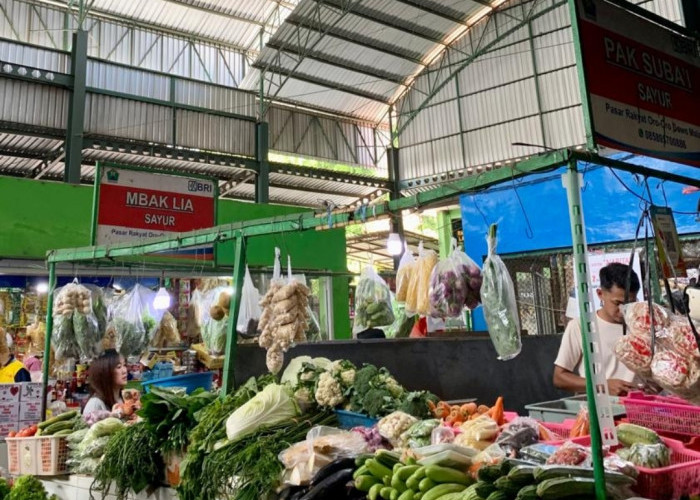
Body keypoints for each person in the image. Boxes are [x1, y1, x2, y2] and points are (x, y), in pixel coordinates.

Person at [554, 263, 640, 396]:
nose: (623, 310)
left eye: (630, 303)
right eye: (618, 303)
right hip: (602, 410)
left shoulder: (642, 326)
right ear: (600, 294)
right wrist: (602, 385)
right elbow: (559, 378)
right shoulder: (581, 326)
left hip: (641, 409)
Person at [83, 349, 128, 415]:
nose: (124, 371)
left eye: (124, 365)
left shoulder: (122, 398)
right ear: (105, 372)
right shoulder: (95, 404)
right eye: (119, 367)